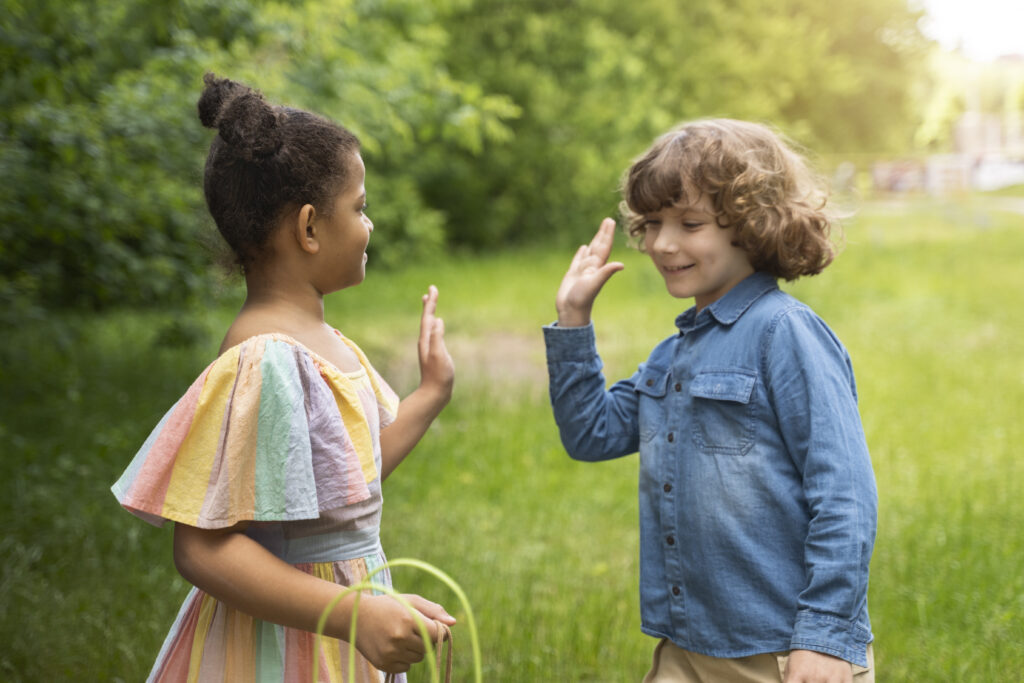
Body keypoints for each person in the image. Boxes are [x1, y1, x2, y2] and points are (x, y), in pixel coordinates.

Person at [112, 74, 456, 682]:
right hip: (281, 646)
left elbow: (344, 487)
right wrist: (353, 615)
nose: (369, 224)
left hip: (334, 630)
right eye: (360, 207)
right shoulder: (267, 359)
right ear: (309, 228)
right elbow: (202, 549)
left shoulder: (318, 345)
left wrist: (430, 394)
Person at [544, 119, 877, 682]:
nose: (661, 244)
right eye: (652, 223)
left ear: (753, 224)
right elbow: (591, 435)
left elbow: (844, 494)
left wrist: (824, 636)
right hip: (686, 647)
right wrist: (573, 320)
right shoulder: (673, 354)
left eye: (690, 223)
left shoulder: (785, 333)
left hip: (780, 653)